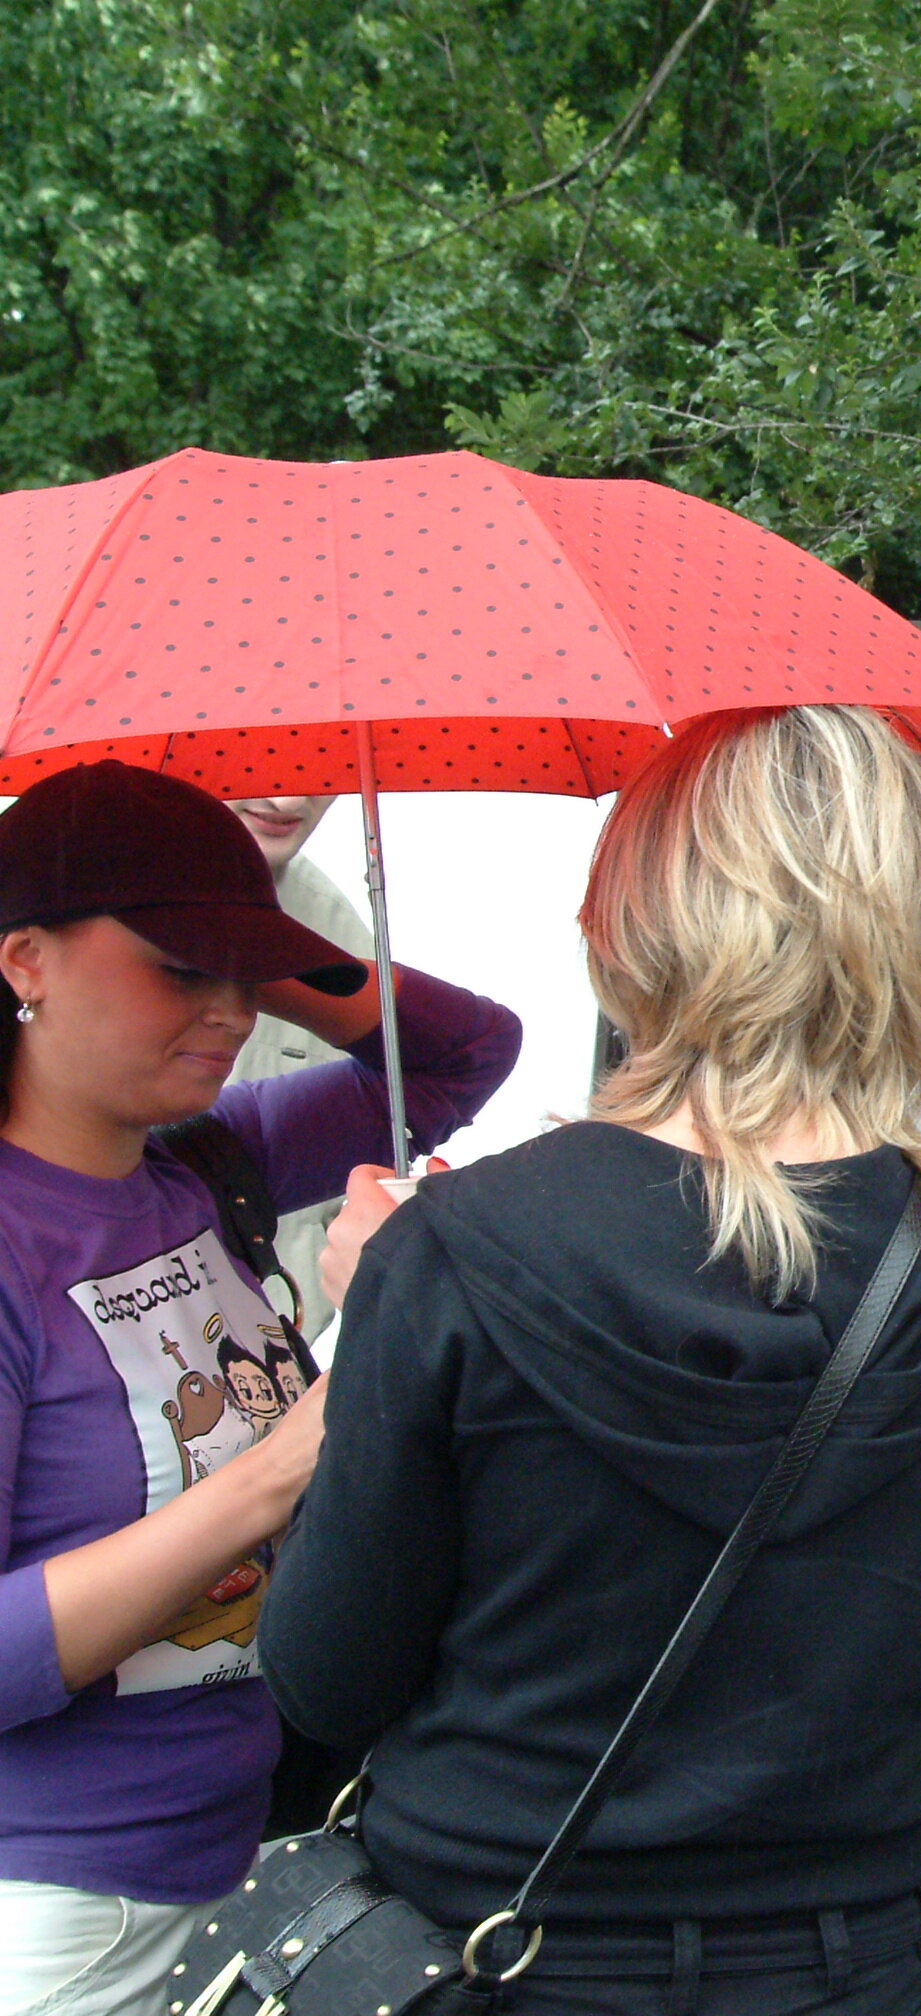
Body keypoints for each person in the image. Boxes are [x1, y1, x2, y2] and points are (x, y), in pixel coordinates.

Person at [260, 706, 921, 2016]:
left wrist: (376, 1330)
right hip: (839, 1961)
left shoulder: (460, 1257)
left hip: (489, 1945)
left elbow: (327, 1674)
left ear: (631, 921)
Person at [0, 763, 516, 2016]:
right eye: (179, 967)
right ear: (25, 961)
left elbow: (462, 1052)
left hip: (245, 1860)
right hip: (62, 1915)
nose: (230, 1013)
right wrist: (289, 1460)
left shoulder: (198, 1159)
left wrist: (242, 942)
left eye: (247, 979)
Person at [221, 797, 374, 1323]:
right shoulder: (43, 882)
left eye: (316, 764)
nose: (288, 799)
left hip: (258, 1351)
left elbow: (473, 1049)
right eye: (253, 750)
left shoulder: (338, 933)